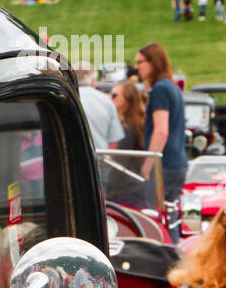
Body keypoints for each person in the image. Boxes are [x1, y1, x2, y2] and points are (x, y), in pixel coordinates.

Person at [136, 41, 186, 201]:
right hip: (177, 163)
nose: (137, 67)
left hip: (164, 166)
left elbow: (161, 131)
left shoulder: (160, 89)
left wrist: (147, 166)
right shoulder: (172, 87)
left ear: (154, 62)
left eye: (140, 62)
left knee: (155, 218)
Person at [75, 62, 124, 149]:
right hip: (100, 159)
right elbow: (113, 143)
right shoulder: (106, 101)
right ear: (93, 80)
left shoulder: (63, 99)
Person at [112, 79, 147, 150]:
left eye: (114, 95)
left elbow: (120, 156)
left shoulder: (130, 127)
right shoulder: (121, 122)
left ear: (127, 98)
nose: (110, 98)